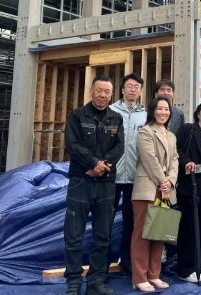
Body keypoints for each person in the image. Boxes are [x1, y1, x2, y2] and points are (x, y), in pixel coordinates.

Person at [64, 75, 124, 295]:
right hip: (81, 181)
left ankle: (96, 281)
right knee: (74, 234)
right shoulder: (77, 116)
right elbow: (73, 144)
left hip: (106, 184)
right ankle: (73, 282)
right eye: (99, 90)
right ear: (92, 91)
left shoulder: (116, 118)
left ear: (111, 94)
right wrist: (93, 163)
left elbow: (119, 147)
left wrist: (102, 165)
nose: (103, 95)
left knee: (102, 235)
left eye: (107, 92)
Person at [130, 96, 178, 292]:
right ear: (152, 111)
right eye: (159, 108)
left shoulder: (171, 135)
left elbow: (175, 160)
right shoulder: (145, 131)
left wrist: (170, 181)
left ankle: (154, 275)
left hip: (165, 191)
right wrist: (163, 182)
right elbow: (149, 159)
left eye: (166, 109)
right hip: (147, 189)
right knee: (142, 234)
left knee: (159, 233)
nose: (163, 112)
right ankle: (139, 277)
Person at [175, 101, 201, 282]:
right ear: (198, 113)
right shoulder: (188, 129)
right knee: (189, 225)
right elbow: (175, 149)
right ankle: (186, 268)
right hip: (190, 181)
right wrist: (186, 162)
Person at [110, 73, 147, 274]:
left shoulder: (145, 115)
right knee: (105, 221)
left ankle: (127, 262)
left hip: (135, 177)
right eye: (130, 86)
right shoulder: (111, 111)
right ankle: (102, 265)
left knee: (131, 222)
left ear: (141, 91)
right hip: (111, 176)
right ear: (122, 89)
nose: (133, 89)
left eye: (137, 87)